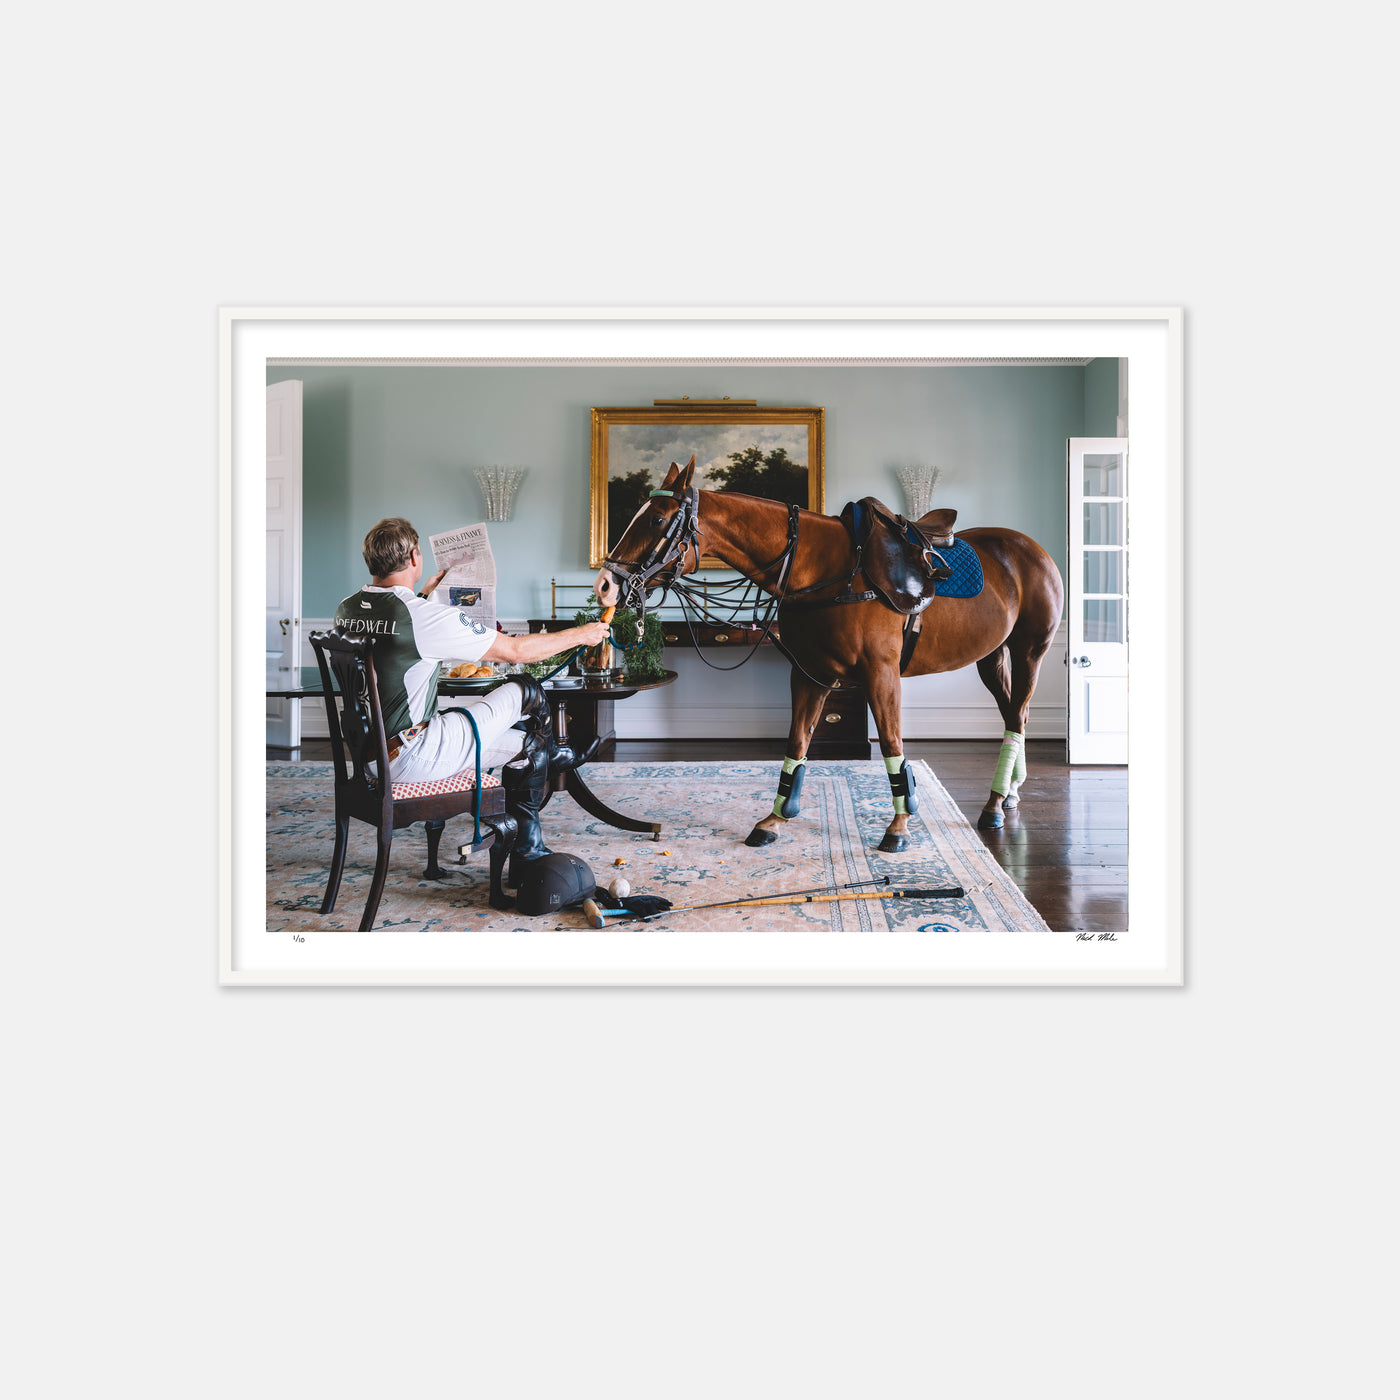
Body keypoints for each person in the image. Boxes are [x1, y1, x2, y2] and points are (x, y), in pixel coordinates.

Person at [333, 517, 611, 880]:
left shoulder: (346, 609)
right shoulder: (424, 618)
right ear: (416, 557)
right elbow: (513, 651)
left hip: (369, 759)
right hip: (416, 755)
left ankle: (535, 812)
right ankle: (557, 760)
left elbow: (392, 632)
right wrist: (582, 634)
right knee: (524, 688)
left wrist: (422, 596)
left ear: (370, 561)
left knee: (526, 746)